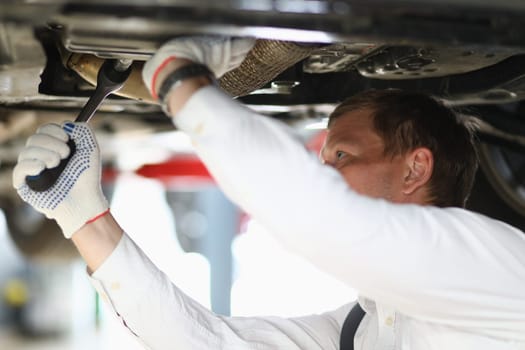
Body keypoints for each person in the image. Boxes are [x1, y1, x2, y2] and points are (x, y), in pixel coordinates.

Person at [12, 37, 525, 349]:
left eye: (342, 156)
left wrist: (179, 79)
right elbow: (208, 344)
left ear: (417, 167)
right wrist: (84, 216)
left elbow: (321, 217)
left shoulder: (493, 272)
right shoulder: (366, 329)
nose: (325, 175)